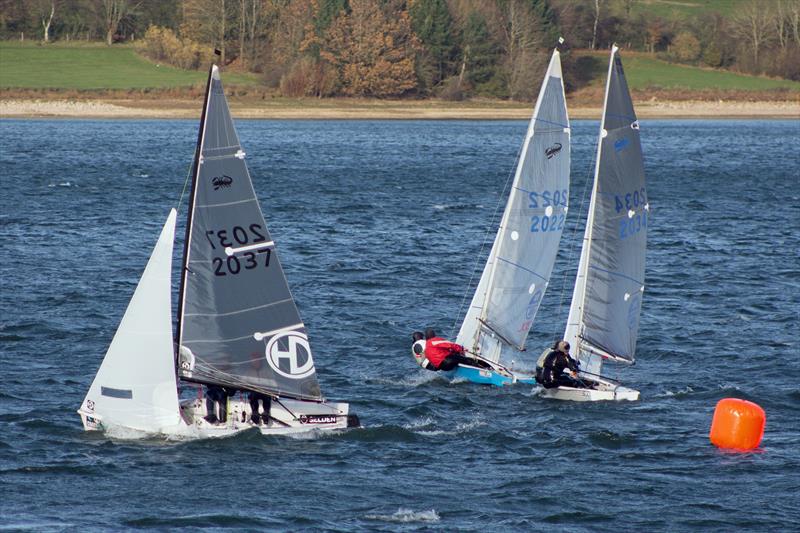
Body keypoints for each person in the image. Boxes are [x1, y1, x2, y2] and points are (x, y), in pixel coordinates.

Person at [416, 328, 493, 372]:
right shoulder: (434, 341)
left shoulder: (426, 348)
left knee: (457, 359)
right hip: (447, 361)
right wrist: (461, 349)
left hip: (443, 368)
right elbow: (450, 345)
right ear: (433, 335)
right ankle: (485, 370)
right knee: (469, 360)